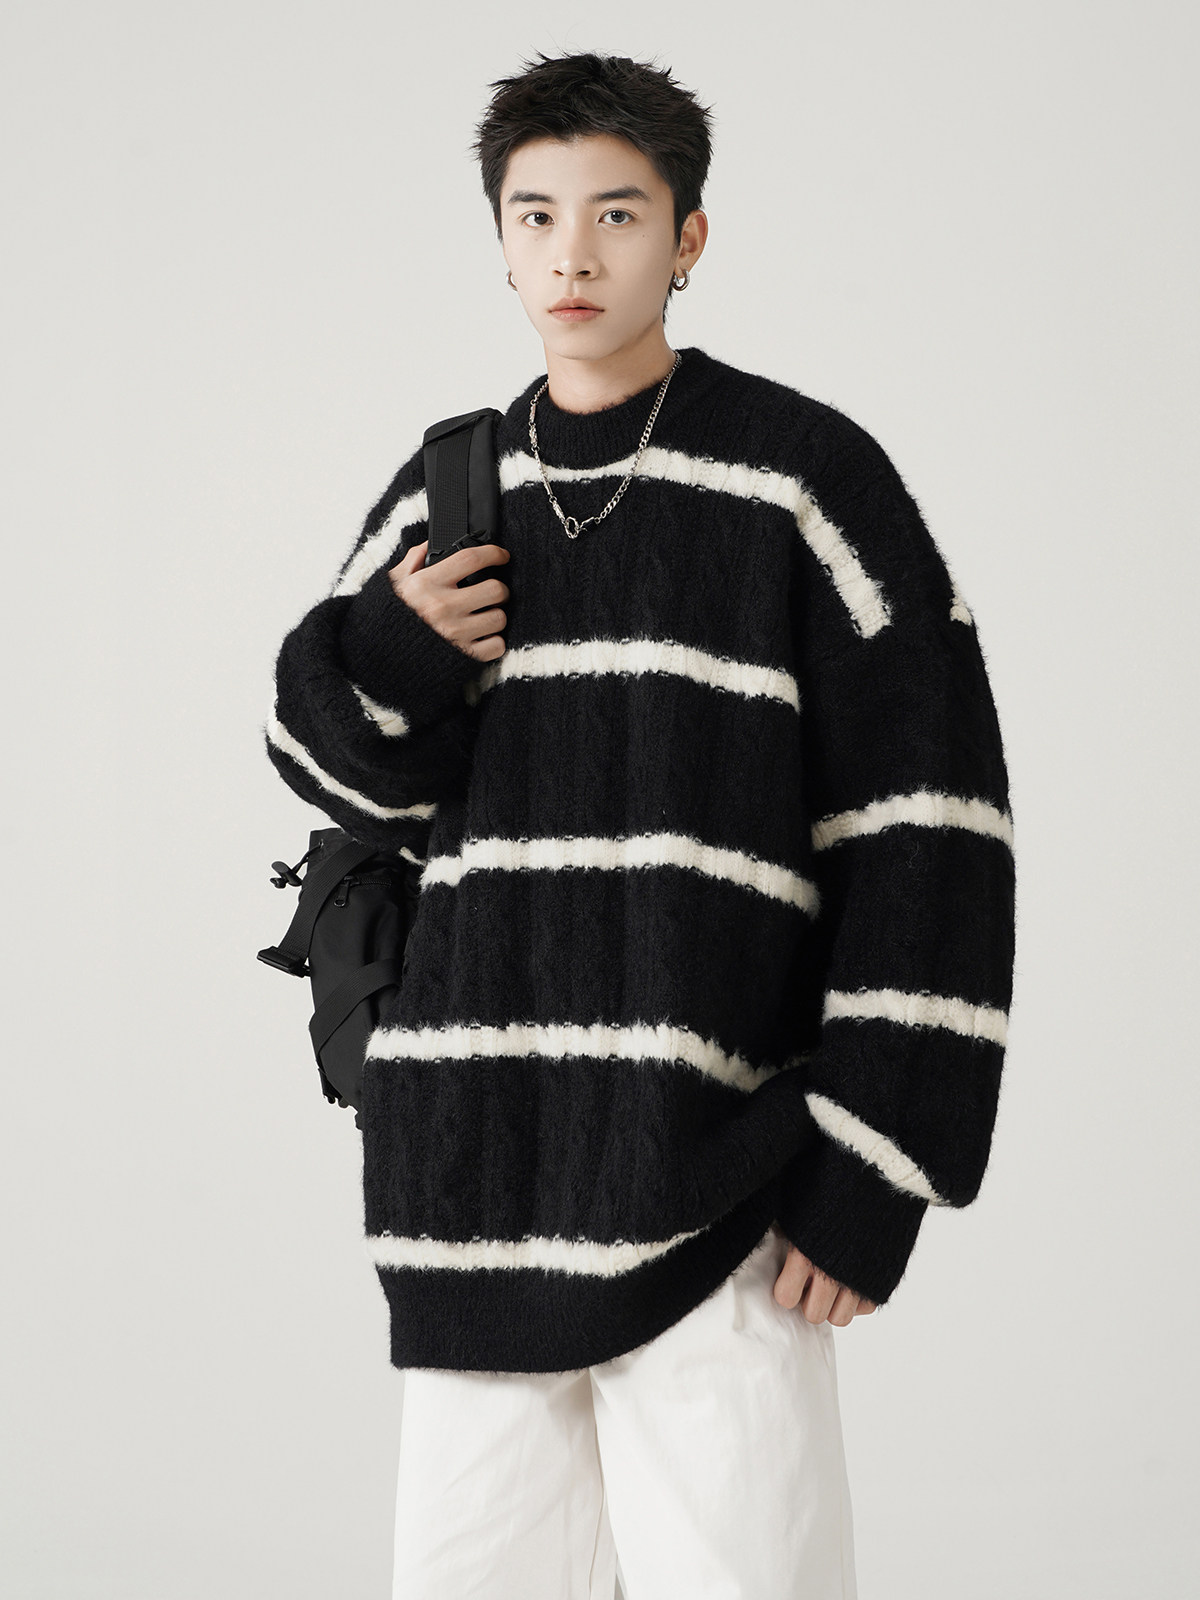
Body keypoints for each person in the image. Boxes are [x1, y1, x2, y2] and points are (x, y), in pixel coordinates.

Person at [263, 48, 1016, 1600]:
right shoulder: (449, 490)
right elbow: (327, 777)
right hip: (469, 1199)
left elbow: (930, 827)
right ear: (499, 240)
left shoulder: (804, 477)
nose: (573, 255)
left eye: (617, 214)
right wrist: (397, 650)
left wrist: (876, 1159)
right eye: (535, 216)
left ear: (689, 237)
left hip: (721, 1192)